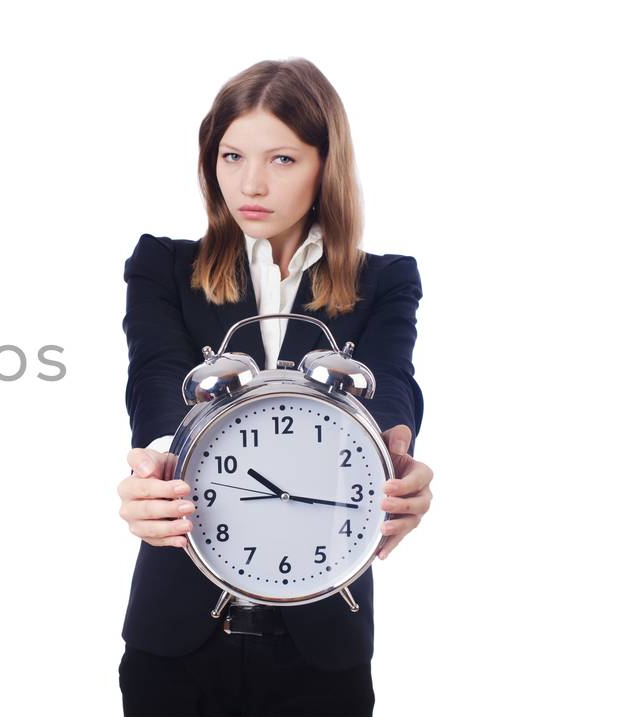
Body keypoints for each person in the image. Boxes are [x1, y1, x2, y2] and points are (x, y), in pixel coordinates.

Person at [113, 58, 435, 716]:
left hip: (322, 646)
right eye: (231, 156)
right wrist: (157, 467)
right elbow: (155, 378)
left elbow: (392, 379)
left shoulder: (386, 280)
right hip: (177, 637)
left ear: (325, 164)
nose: (250, 182)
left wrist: (397, 449)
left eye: (282, 159)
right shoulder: (164, 266)